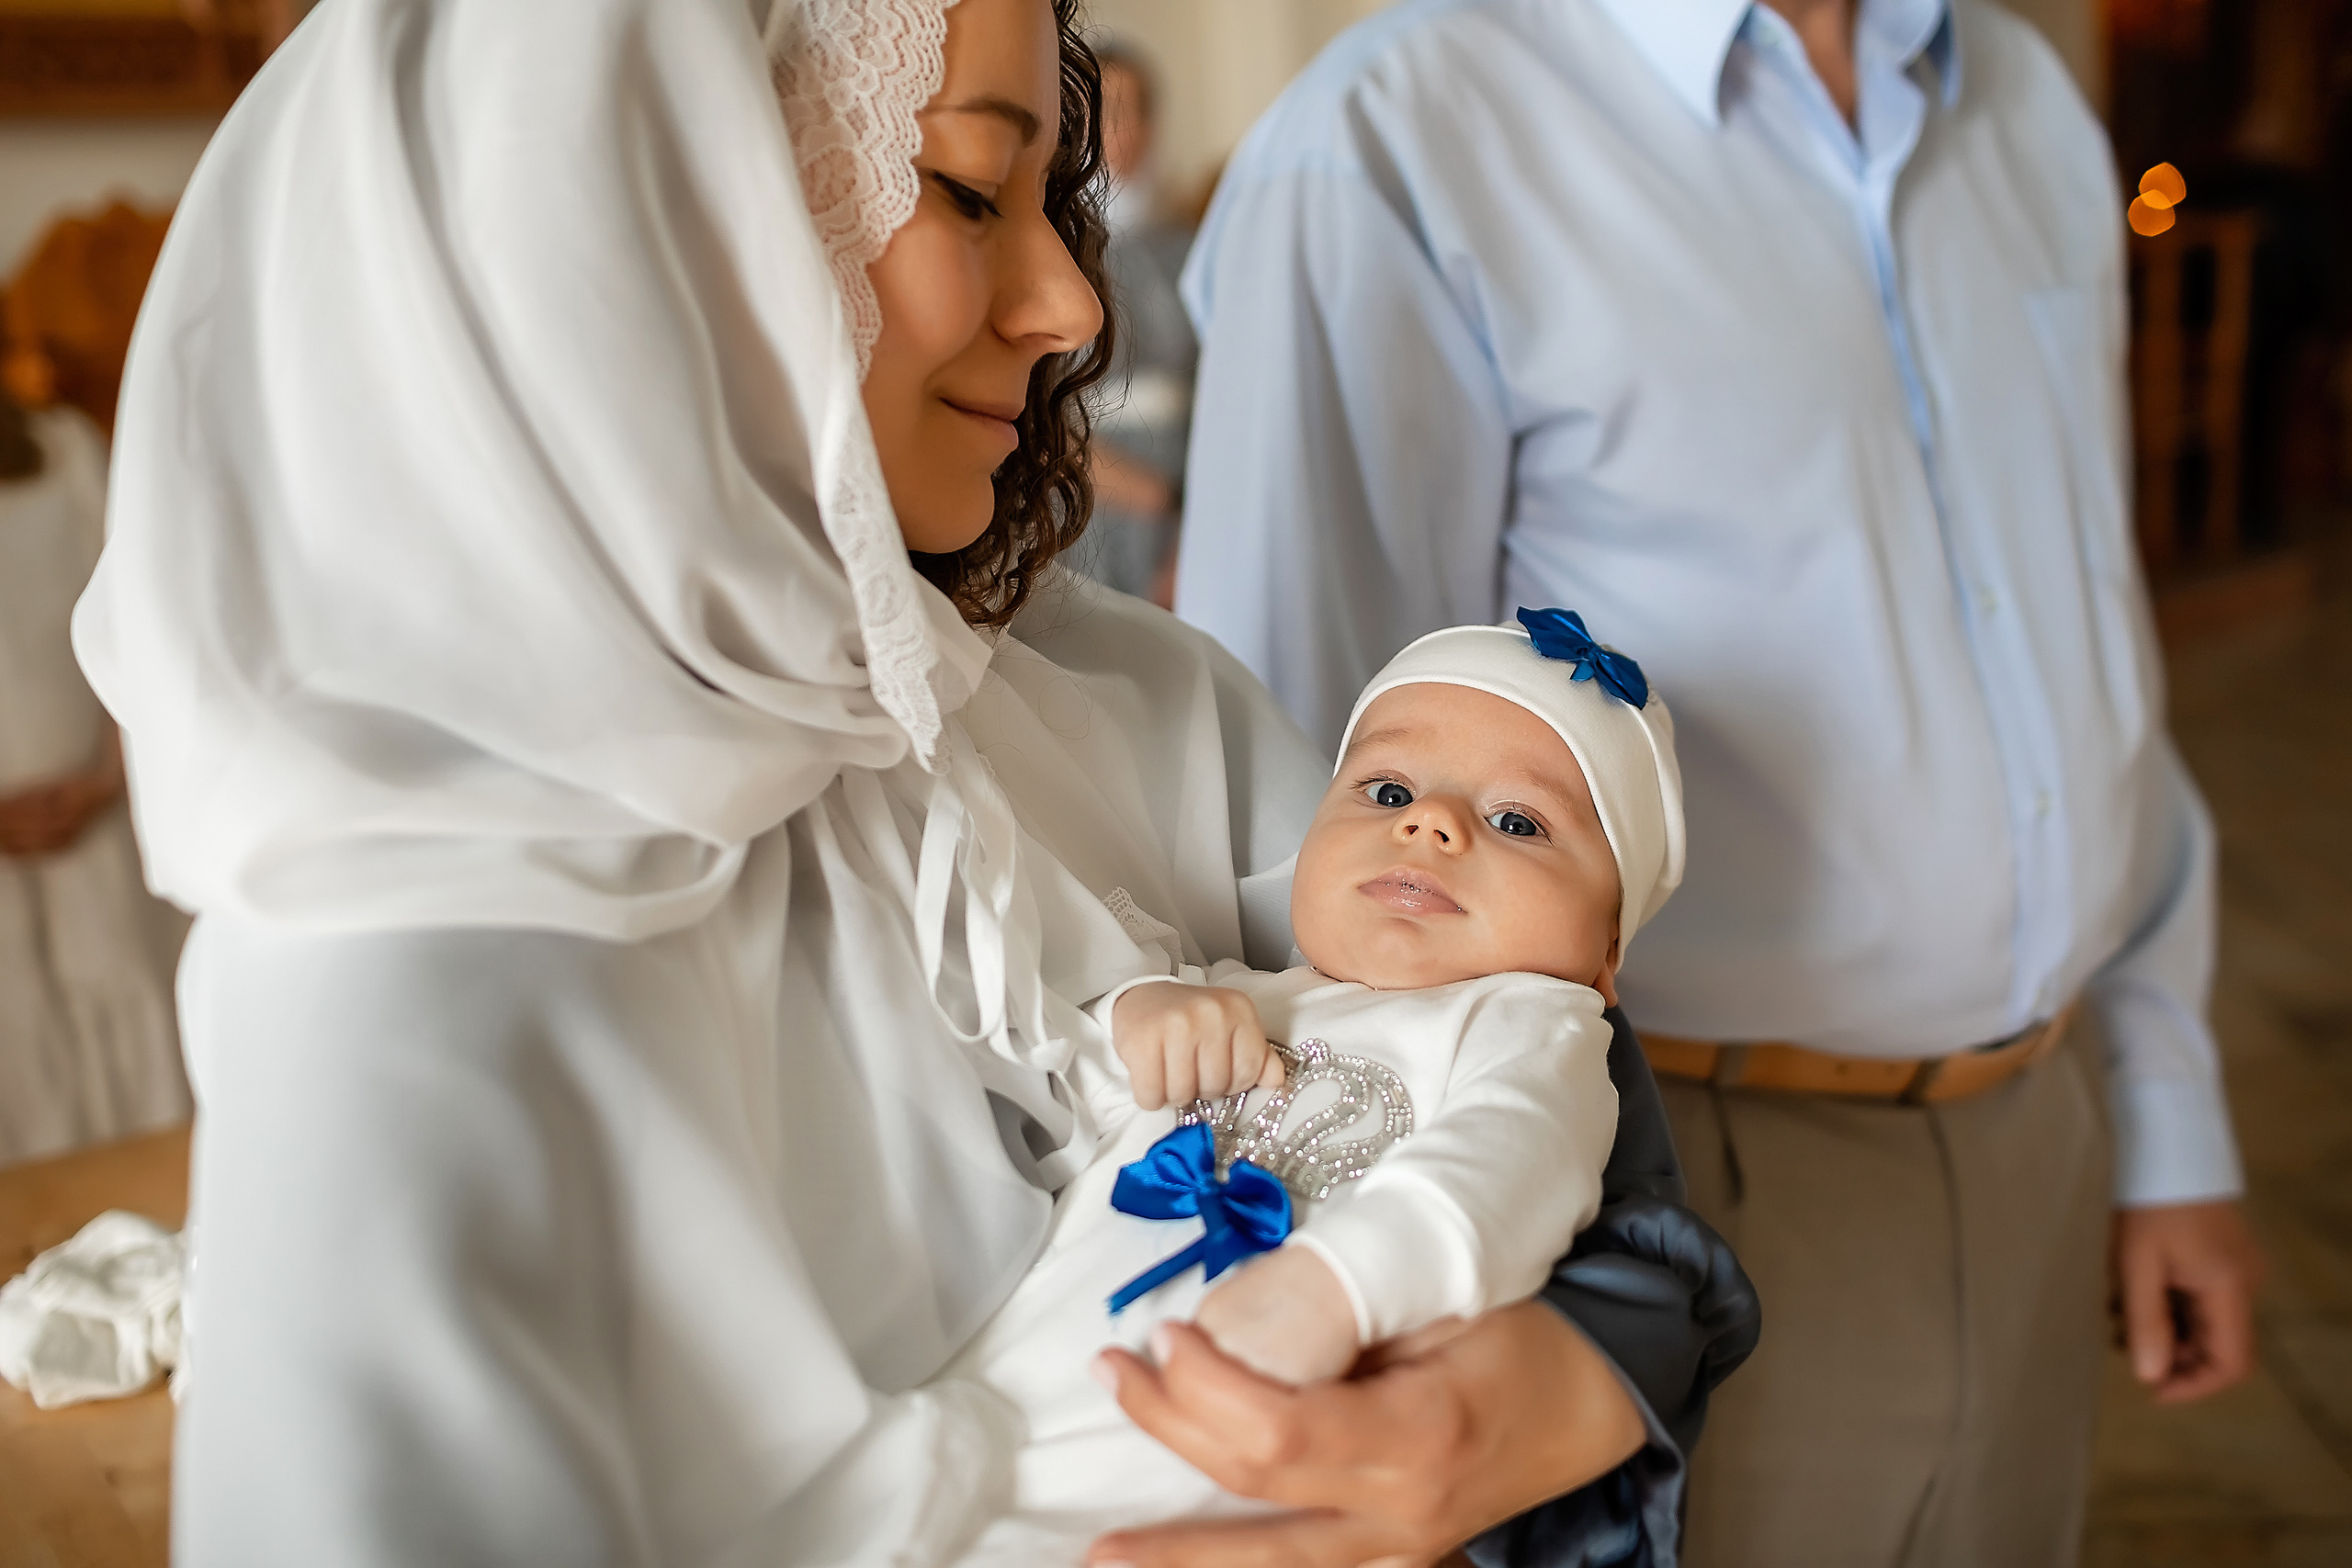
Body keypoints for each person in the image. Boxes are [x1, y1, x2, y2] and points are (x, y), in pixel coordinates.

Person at [72, 1, 1754, 1564]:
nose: (1076, 302)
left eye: (1051, 198)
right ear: (634, 219)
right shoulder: (408, 974)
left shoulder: (1112, 692)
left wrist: (1551, 1388)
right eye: (962, 188)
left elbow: (1533, 1042)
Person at [1174, 0, 2264, 1563]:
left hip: (2046, 1131)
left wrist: (2164, 1112)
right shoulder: (1397, 134)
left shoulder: (2020, 97)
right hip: (1647, 1181)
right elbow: (1299, 794)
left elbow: (2081, 637)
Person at [947, 612, 1689, 1561]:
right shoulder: (1233, 991)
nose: (1429, 823)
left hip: (1234, 1442)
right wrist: (1132, 1012)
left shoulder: (1531, 1026)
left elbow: (1510, 1164)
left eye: (1517, 821)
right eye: (1387, 790)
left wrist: (1336, 1289)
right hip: (1019, 1401)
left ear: (1603, 954)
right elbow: (1061, 1115)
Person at [0, 389, 187, 1168]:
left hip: (101, 828)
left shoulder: (63, 450)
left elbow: (139, 610)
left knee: (144, 1039)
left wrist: (111, 774)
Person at [1066, 39, 1193, 604]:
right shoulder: (1058, 248)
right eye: (1108, 113)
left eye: (1139, 110)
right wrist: (1142, 492)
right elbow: (1033, 407)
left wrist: (1187, 521)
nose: (1126, 130)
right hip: (1081, 509)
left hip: (1187, 515)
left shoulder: (1190, 249)